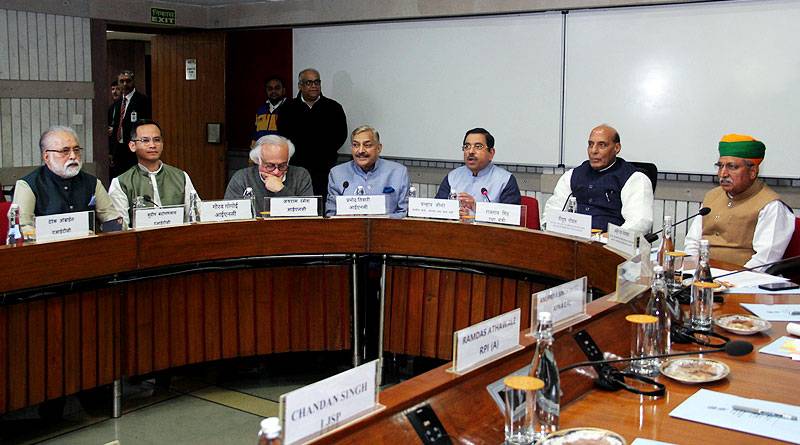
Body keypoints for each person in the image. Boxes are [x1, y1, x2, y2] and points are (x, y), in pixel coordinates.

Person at [684, 134, 794, 267]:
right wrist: (692, 270)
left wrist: (732, 278)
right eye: (720, 166)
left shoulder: (770, 205)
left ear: (753, 171)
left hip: (742, 277)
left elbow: (764, 261)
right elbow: (692, 243)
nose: (723, 174)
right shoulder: (712, 196)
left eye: (732, 167)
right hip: (703, 273)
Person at [543, 124, 653, 234]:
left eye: (602, 145)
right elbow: (552, 212)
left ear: (617, 148)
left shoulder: (634, 178)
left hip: (609, 242)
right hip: (573, 238)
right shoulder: (572, 175)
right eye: (590, 144)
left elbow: (639, 222)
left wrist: (611, 237)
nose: (593, 150)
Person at [11, 126, 121, 230]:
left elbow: (111, 218)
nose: (73, 156)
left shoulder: (92, 183)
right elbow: (22, 228)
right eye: (65, 151)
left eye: (76, 150)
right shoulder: (28, 185)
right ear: (46, 157)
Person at [108, 119, 200, 228]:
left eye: (157, 140)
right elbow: (120, 228)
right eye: (145, 140)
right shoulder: (121, 183)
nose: (152, 145)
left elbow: (196, 216)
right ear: (132, 146)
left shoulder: (181, 177)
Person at [277, 68, 347, 198]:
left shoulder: (333, 107)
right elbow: (283, 136)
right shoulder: (287, 108)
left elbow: (340, 136)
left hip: (324, 167)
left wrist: (324, 152)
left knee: (322, 202)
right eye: (309, 83)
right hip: (296, 166)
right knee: (297, 202)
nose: (314, 86)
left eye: (317, 82)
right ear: (300, 85)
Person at [326, 125, 410, 218]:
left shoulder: (398, 173)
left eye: (367, 145)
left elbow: (404, 213)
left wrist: (382, 219)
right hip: (348, 226)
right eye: (356, 145)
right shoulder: (337, 174)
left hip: (386, 226)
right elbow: (330, 214)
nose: (360, 151)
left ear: (379, 148)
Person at [434, 127, 521, 215]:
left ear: (491, 153)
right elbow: (437, 211)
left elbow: (510, 216)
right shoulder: (452, 177)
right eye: (467, 146)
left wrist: (477, 210)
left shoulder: (505, 180)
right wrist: (453, 213)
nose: (471, 151)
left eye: (478, 146)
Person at [225, 134, 314, 215]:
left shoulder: (300, 176)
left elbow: (309, 215)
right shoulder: (242, 178)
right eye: (270, 166)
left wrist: (281, 190)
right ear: (258, 161)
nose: (276, 172)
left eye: (282, 166)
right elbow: (231, 216)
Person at [108, 70, 151, 178]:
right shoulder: (117, 104)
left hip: (134, 149)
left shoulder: (142, 100)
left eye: (128, 81)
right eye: (121, 81)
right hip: (119, 149)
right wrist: (111, 151)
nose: (125, 84)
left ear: (133, 82)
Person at [251, 76, 287, 147]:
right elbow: (256, 134)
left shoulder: (290, 109)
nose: (273, 91)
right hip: (261, 152)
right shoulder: (261, 110)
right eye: (270, 89)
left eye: (277, 88)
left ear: (283, 90)